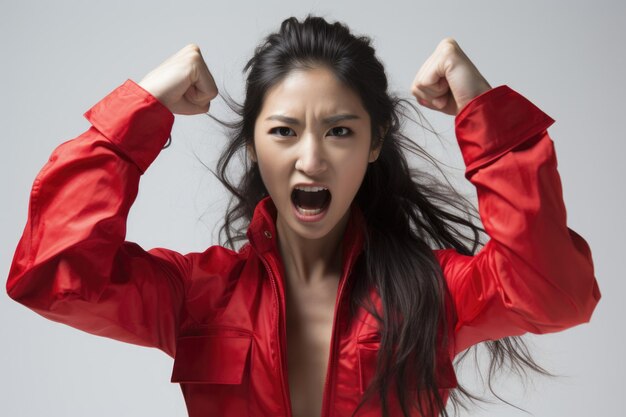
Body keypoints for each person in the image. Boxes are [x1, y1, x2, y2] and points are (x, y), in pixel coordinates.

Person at [6, 14, 601, 417]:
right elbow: (55, 276)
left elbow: (554, 293)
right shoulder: (197, 295)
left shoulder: (435, 290)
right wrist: (140, 110)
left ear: (374, 144)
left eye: (340, 131)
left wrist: (483, 112)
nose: (311, 159)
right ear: (254, 144)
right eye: (284, 132)